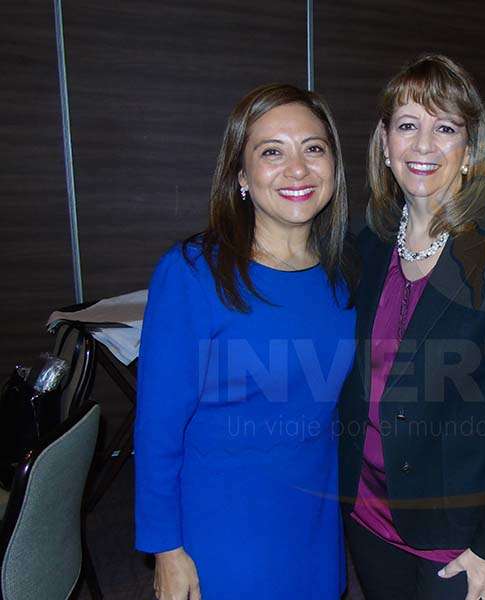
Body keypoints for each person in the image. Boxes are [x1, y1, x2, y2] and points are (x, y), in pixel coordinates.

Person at [338, 54, 485, 600]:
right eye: (408, 125)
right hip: (369, 511)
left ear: (469, 148)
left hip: (460, 538)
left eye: (445, 127)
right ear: (385, 144)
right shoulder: (368, 242)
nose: (424, 145)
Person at [134, 84, 358, 600]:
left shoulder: (345, 277)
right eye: (272, 152)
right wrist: (166, 549)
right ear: (241, 175)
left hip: (313, 524)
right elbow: (157, 428)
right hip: (223, 527)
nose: (297, 169)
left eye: (314, 148)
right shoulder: (192, 273)